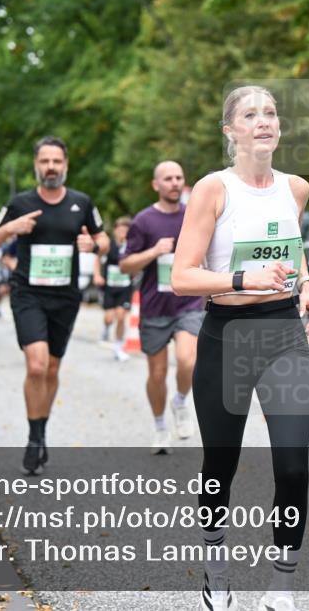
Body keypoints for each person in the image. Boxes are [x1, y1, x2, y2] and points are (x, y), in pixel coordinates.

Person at [172, 85, 309, 611]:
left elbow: (292, 252)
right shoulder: (213, 189)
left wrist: (305, 287)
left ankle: (281, 588)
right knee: (221, 464)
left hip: (282, 333)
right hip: (226, 335)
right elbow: (181, 277)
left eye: (271, 113)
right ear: (230, 130)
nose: (264, 121)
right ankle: (216, 571)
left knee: (294, 466)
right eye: (250, 114)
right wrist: (243, 276)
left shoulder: (296, 188)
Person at [0, 136, 109, 475]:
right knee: (36, 366)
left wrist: (92, 245)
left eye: (56, 161)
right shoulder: (19, 203)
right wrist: (11, 227)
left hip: (65, 297)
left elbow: (104, 239)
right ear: (36, 165)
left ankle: (41, 430)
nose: (50, 167)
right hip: (28, 294)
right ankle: (34, 437)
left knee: (52, 369)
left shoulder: (82, 203)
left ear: (65, 165)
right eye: (44, 161)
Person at [119, 163, 202, 454]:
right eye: (168, 179)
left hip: (189, 303)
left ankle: (180, 400)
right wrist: (154, 251)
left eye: (179, 177)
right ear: (156, 184)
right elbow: (125, 265)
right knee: (156, 374)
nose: (175, 183)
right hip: (155, 307)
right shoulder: (144, 221)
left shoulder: (195, 215)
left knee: (187, 360)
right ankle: (159, 427)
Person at [94, 216, 134, 361]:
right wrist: (97, 275)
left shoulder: (132, 246)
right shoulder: (109, 245)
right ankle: (105, 329)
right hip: (109, 287)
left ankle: (118, 348)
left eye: (126, 230)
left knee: (121, 316)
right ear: (115, 230)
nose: (123, 232)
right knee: (109, 317)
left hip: (125, 287)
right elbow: (97, 258)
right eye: (120, 229)